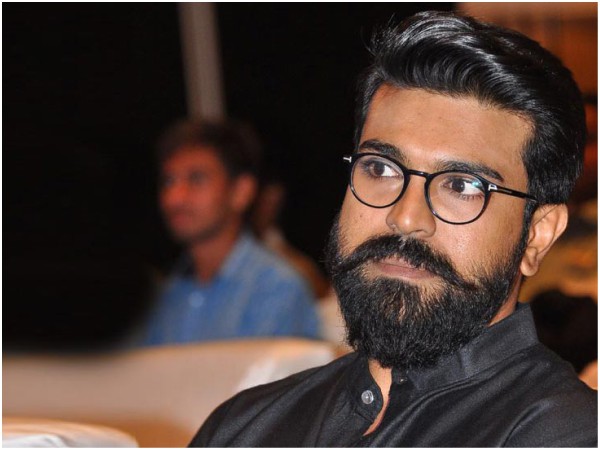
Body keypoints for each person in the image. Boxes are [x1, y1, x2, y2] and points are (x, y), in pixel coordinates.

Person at [190, 11, 597, 447]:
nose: (404, 217)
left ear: (537, 235)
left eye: (461, 185)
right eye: (380, 168)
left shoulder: (567, 433)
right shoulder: (244, 426)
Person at [139, 119, 320, 345]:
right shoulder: (167, 295)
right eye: (169, 181)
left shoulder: (276, 288)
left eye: (196, 179)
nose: (175, 197)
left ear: (241, 192)